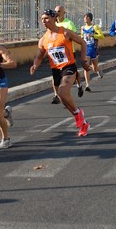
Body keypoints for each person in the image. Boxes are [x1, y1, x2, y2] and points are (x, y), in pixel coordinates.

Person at [30, 9, 90, 137]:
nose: (44, 21)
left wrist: (83, 59)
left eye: (46, 18)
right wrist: (35, 64)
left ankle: (79, 115)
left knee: (62, 92)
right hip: (56, 70)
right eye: (42, 19)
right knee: (63, 99)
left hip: (69, 67)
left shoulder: (65, 32)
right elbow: (40, 55)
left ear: (53, 18)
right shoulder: (43, 39)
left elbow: (83, 42)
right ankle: (82, 120)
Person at [53, 5, 83, 102]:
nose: (57, 13)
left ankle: (79, 85)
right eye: (56, 11)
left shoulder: (69, 23)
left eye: (60, 11)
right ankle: (56, 95)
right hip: (56, 54)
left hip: (69, 53)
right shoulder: (53, 24)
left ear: (64, 13)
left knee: (73, 72)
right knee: (55, 74)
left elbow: (73, 36)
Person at [80, 12, 104, 91]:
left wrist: (93, 35)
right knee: (86, 66)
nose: (85, 19)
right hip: (86, 49)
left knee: (94, 67)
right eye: (84, 17)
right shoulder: (82, 28)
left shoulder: (95, 27)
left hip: (93, 49)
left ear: (90, 18)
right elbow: (81, 37)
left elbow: (102, 36)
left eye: (86, 17)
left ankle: (98, 70)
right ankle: (87, 84)